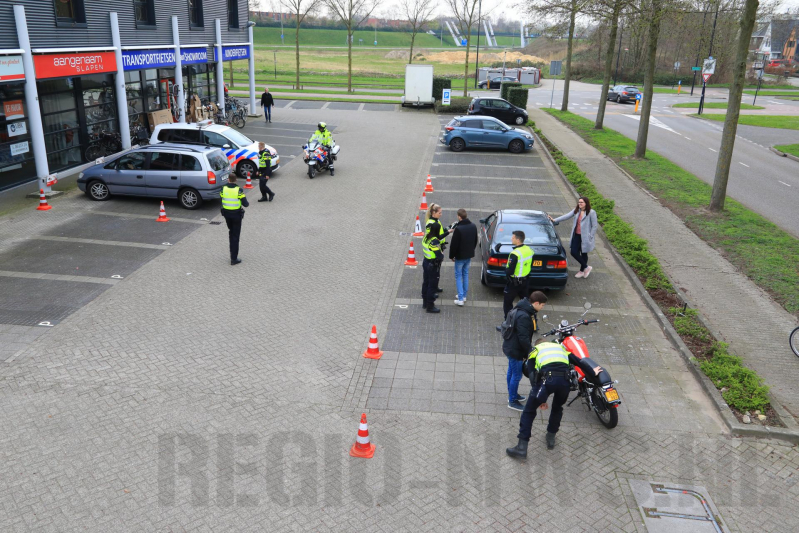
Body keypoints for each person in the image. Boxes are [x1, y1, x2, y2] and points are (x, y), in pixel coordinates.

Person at [506, 338, 588, 458]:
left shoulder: (535, 350)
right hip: (565, 383)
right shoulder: (561, 349)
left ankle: (522, 448)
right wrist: (594, 371)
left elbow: (532, 373)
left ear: (537, 344)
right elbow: (580, 362)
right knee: (557, 408)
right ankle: (551, 437)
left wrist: (539, 397)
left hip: (548, 381)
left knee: (529, 412)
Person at [503, 291, 548, 411]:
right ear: (536, 303)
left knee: (511, 372)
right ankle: (512, 401)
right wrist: (529, 352)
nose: (542, 308)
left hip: (510, 347)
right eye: (542, 305)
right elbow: (523, 338)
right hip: (515, 350)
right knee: (516, 375)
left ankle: (512, 394)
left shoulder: (522, 308)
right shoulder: (524, 316)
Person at [549, 196, 598, 279]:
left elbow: (595, 226)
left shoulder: (591, 212)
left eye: (581, 202)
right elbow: (566, 216)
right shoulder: (577, 211)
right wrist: (554, 220)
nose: (580, 204)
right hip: (577, 235)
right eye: (579, 202)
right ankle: (586, 267)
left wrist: (590, 236)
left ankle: (582, 271)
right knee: (574, 252)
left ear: (586, 203)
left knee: (584, 253)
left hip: (586, 237)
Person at [497, 231, 534, 331]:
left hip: (514, 283)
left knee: (508, 304)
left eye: (512, 238)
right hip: (525, 281)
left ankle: (508, 325)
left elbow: (509, 270)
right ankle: (532, 323)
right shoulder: (529, 250)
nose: (511, 239)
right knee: (526, 302)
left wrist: (505, 269)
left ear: (518, 240)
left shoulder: (515, 254)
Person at [421, 203, 452, 313]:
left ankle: (425, 302)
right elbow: (439, 255)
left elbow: (438, 237)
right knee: (431, 286)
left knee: (426, 282)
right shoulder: (434, 242)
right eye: (440, 212)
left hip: (426, 261)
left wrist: (447, 231)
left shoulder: (426, 238)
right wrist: (441, 252)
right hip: (432, 264)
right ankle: (430, 306)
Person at [448, 208, 477, 306]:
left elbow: (454, 245)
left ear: (459, 217)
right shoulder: (473, 226)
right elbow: (475, 240)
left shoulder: (459, 229)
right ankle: (464, 296)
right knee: (465, 274)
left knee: (458, 276)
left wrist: (452, 256)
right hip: (468, 256)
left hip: (460, 257)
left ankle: (460, 299)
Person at [220, 174, 249, 265]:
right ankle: (234, 258)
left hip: (227, 215)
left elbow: (222, 197)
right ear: (236, 180)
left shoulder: (223, 189)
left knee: (231, 232)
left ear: (228, 180)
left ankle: (231, 238)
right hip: (236, 215)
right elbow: (246, 204)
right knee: (235, 236)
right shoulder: (239, 190)